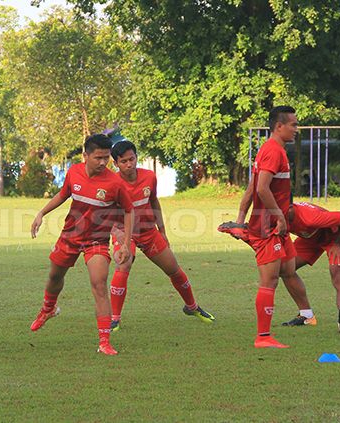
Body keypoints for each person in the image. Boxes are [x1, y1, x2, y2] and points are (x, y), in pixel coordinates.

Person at [29, 133, 134, 355]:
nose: (103, 162)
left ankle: (104, 341)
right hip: (70, 236)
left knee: (99, 284)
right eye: (98, 158)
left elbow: (129, 210)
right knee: (55, 276)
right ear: (85, 155)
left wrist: (125, 243)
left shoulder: (115, 182)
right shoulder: (74, 172)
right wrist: (41, 213)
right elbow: (63, 194)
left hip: (97, 240)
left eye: (106, 158)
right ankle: (48, 309)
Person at [107, 140, 215, 330]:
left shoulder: (149, 177)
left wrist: (162, 231)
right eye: (123, 161)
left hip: (149, 231)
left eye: (132, 159)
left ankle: (192, 307)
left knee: (173, 269)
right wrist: (118, 236)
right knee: (123, 264)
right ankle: (115, 319)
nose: (129, 164)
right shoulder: (111, 184)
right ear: (116, 163)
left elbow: (154, 202)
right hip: (125, 233)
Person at [219, 202, 340, 333]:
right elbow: (266, 243)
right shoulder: (279, 216)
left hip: (336, 237)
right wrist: (243, 234)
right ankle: (306, 315)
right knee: (284, 269)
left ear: (289, 208)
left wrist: (337, 243)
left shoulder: (309, 218)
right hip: (309, 239)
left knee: (339, 276)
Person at [233, 105, 299, 349]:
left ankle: (307, 313)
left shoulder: (270, 149)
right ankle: (263, 337)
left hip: (273, 225)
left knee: (288, 268)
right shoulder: (273, 151)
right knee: (269, 280)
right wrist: (279, 217)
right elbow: (260, 188)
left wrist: (240, 218)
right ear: (279, 126)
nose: (296, 129)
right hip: (268, 226)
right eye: (292, 124)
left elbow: (252, 187)